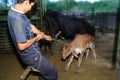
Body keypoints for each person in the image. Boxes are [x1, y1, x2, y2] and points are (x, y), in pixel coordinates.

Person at [7, 0, 58, 80]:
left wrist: (44, 35)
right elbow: (21, 46)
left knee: (45, 72)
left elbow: (30, 26)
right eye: (31, 5)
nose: (31, 8)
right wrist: (37, 38)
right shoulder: (17, 20)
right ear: (26, 2)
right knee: (53, 72)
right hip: (31, 56)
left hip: (32, 52)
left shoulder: (15, 11)